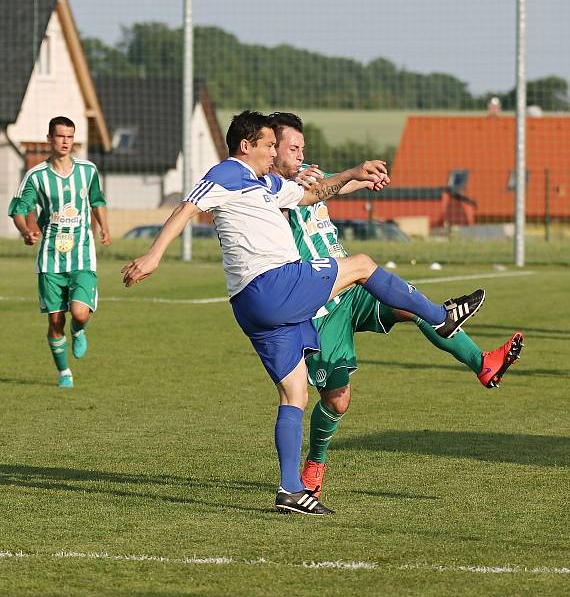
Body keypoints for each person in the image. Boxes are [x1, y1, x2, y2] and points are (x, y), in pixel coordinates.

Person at [121, 110, 485, 515]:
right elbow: (187, 208)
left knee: (294, 392)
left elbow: (312, 194)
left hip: (252, 305)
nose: (275, 150)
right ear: (247, 146)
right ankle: (439, 317)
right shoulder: (226, 173)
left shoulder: (267, 184)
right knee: (361, 265)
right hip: (273, 282)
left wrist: (353, 172)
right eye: (269, 144)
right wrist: (153, 255)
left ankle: (290, 490)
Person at [267, 112, 524, 499]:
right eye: (292, 148)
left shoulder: (310, 177)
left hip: (351, 284)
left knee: (410, 303)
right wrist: (295, 188)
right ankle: (315, 463)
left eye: (303, 147)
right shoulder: (266, 192)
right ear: (272, 150)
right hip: (318, 306)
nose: (301, 155)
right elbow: (279, 208)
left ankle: (483, 363)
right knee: (337, 400)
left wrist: (360, 176)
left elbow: (329, 187)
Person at [7, 116, 112, 388]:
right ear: (50, 139)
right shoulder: (37, 176)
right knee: (55, 321)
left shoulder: (88, 171)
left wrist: (104, 228)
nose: (66, 141)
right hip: (51, 258)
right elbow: (19, 208)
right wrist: (25, 231)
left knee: (78, 313)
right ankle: (64, 372)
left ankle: (79, 329)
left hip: (82, 254)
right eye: (60, 136)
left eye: (70, 136)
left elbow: (97, 200)